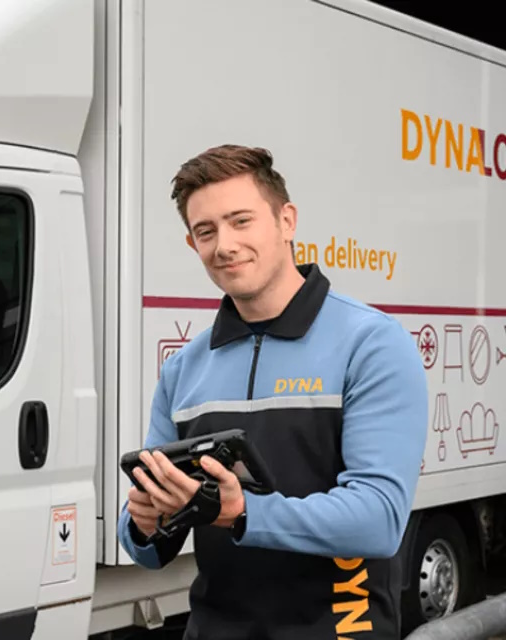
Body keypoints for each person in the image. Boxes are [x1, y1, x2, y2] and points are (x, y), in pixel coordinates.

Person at [117, 144, 428, 640]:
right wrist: (144, 522)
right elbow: (144, 550)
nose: (224, 244)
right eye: (206, 231)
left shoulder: (370, 344)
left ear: (287, 221)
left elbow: (378, 518)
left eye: (241, 220)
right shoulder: (183, 369)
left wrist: (242, 512)